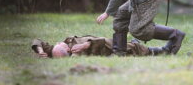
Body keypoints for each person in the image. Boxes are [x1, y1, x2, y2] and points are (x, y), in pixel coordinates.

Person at [31, 35, 164, 58]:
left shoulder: (57, 49)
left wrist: (40, 50)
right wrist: (85, 45)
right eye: (62, 44)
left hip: (103, 42)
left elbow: (37, 41)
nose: (61, 42)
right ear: (67, 50)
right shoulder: (74, 52)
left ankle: (137, 43)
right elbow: (100, 41)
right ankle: (158, 51)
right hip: (106, 48)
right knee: (133, 49)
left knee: (130, 45)